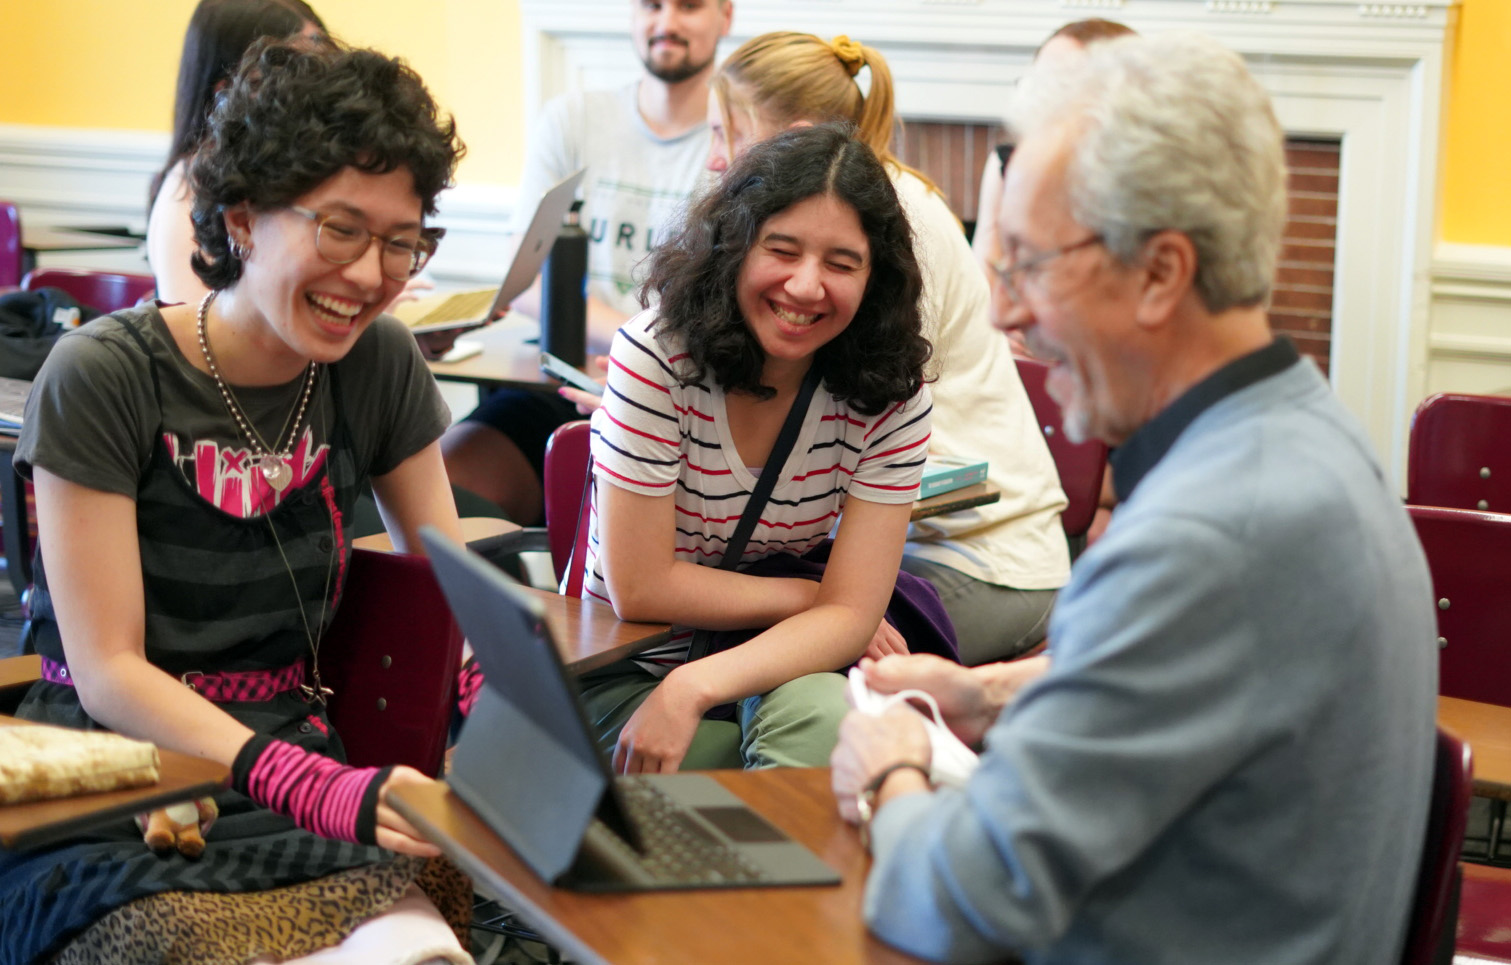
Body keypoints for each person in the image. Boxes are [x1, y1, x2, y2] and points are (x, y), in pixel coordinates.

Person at [830, 33, 1438, 963]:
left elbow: (957, 901)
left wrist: (894, 773)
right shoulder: (1311, 437)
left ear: (1160, 273)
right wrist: (987, 696)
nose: (1003, 314)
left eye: (1031, 263)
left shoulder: (1206, 532)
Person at [0, 38, 472, 965]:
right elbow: (109, 672)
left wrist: (502, 706)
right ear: (245, 218)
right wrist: (314, 785)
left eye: (402, 241)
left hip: (299, 762)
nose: (375, 275)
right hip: (114, 777)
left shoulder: (375, 363)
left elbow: (453, 589)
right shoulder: (103, 375)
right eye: (341, 229)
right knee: (175, 942)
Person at [578, 123, 936, 773]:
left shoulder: (890, 393)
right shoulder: (656, 356)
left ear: (874, 276)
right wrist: (812, 598)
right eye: (782, 248)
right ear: (735, 245)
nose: (805, 286)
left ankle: (785, 873)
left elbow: (853, 615)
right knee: (737, 778)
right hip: (628, 666)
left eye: (840, 262)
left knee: (824, 722)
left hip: (772, 656)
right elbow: (640, 586)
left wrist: (696, 686)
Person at [708, 32, 1070, 664]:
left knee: (787, 651)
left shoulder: (894, 225)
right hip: (899, 542)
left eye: (724, 135)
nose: (714, 161)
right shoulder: (843, 212)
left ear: (786, 136)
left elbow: (838, 419)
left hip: (984, 559)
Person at [441, 0, 735, 527]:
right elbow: (523, 276)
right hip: (557, 384)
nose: (666, 23)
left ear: (726, 16)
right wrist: (635, 340)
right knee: (439, 499)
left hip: (682, 406)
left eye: (689, 6)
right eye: (652, 6)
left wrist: (642, 361)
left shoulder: (734, 145)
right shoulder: (575, 119)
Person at [147, 0, 325, 306]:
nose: (323, 82)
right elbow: (199, 331)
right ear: (229, 89)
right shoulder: (188, 190)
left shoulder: (305, 170)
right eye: (295, 66)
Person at [970, 19, 1133, 286]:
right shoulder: (1009, 162)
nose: (1045, 98)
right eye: (1039, 83)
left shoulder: (1139, 174)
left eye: (1062, 84)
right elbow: (987, 262)